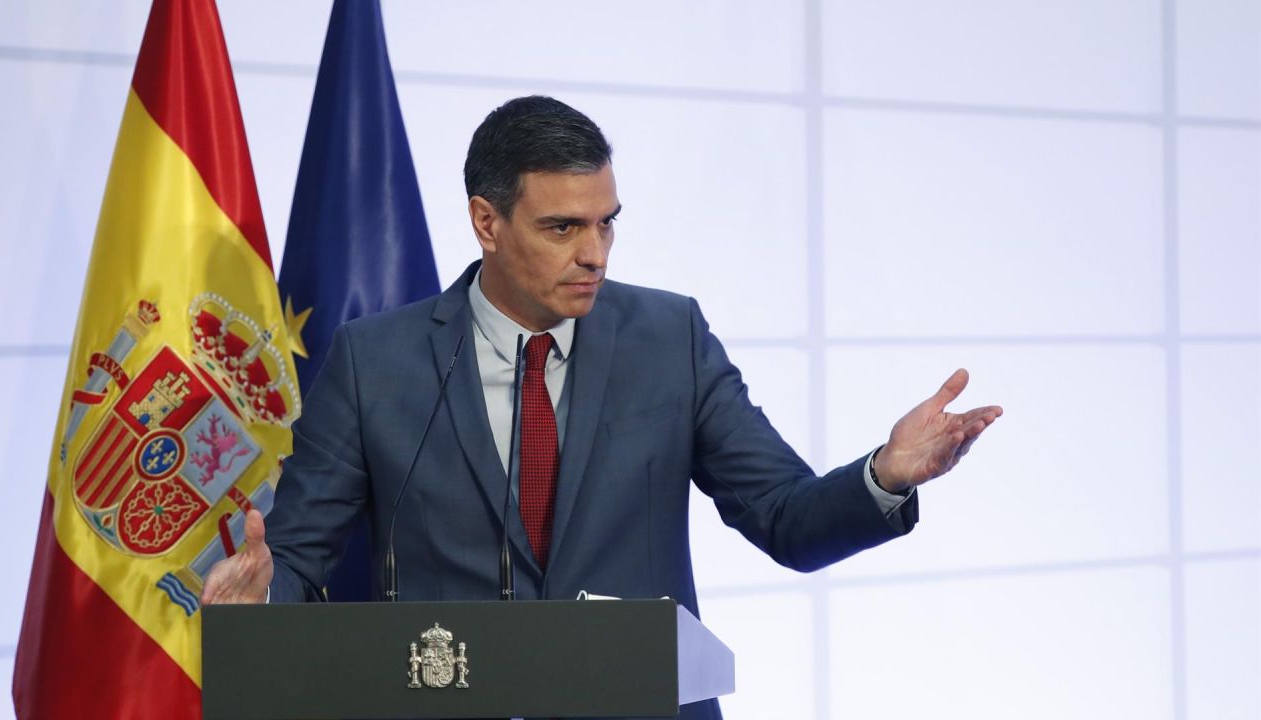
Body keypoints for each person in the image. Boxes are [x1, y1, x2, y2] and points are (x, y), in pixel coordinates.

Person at [201, 96, 1002, 719]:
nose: (594, 254)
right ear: (486, 221)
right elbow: (298, 558)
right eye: (562, 228)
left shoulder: (670, 338)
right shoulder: (376, 362)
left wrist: (884, 477)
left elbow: (786, 517)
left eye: (606, 224)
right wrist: (258, 598)